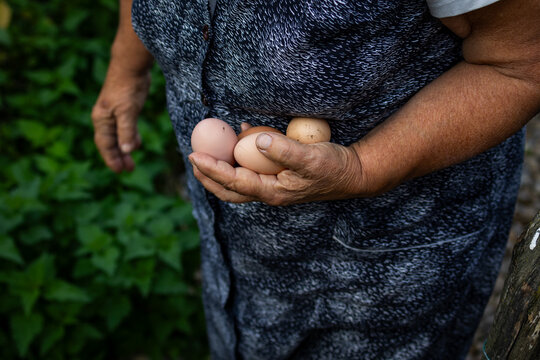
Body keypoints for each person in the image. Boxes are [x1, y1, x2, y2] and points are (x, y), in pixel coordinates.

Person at [92, 0, 540, 358]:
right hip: (242, 244)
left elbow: (521, 62)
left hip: (387, 259)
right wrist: (126, 64)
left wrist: (364, 166)